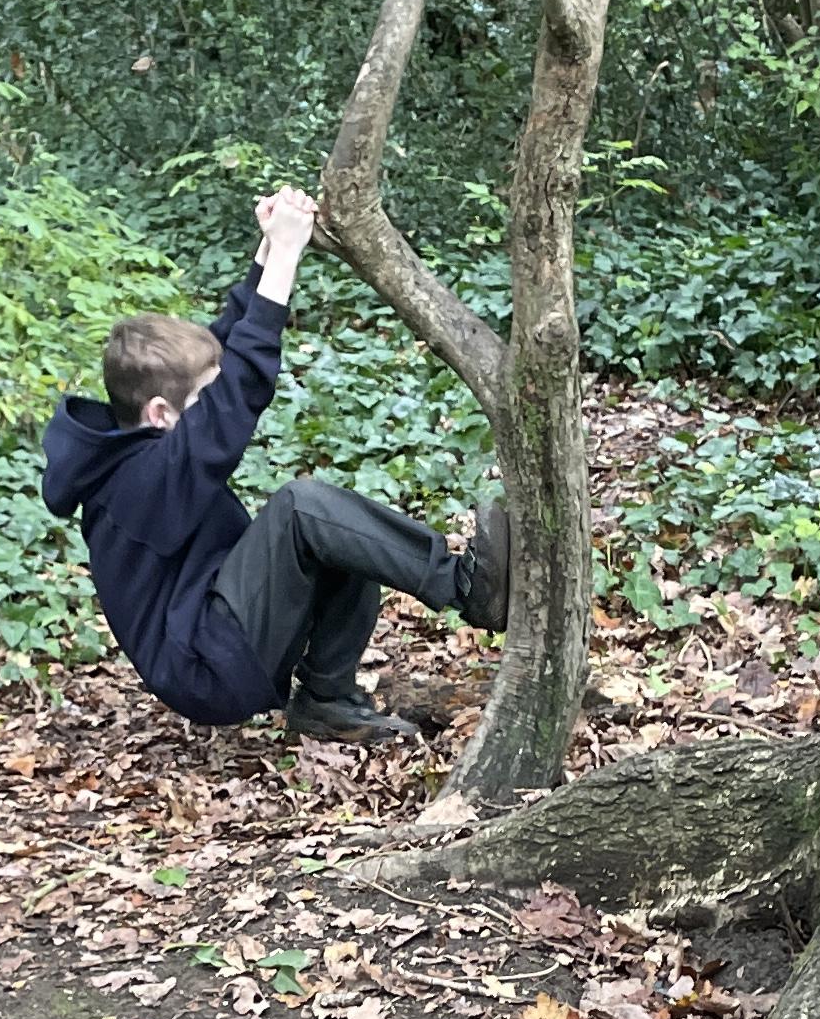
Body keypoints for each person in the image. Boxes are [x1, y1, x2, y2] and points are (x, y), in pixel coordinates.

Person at [41, 183, 508, 747]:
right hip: (207, 667)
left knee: (343, 535)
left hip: (219, 631)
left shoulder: (140, 440)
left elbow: (224, 352)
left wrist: (268, 251)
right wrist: (286, 255)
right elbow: (237, 392)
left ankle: (327, 701)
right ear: (160, 413)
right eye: (202, 400)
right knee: (302, 508)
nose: (213, 405)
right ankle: (465, 589)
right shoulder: (135, 484)